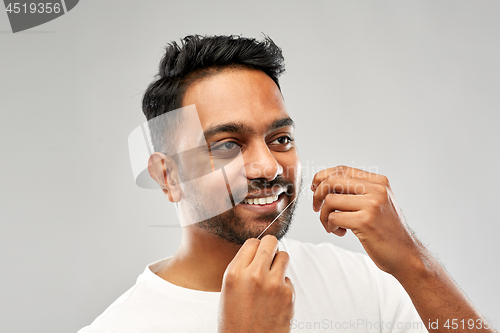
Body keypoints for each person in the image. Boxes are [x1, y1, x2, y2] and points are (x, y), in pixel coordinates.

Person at [79, 35, 496, 333]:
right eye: (227, 145)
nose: (266, 165)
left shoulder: (358, 281)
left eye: (280, 139)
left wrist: (412, 262)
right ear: (167, 176)